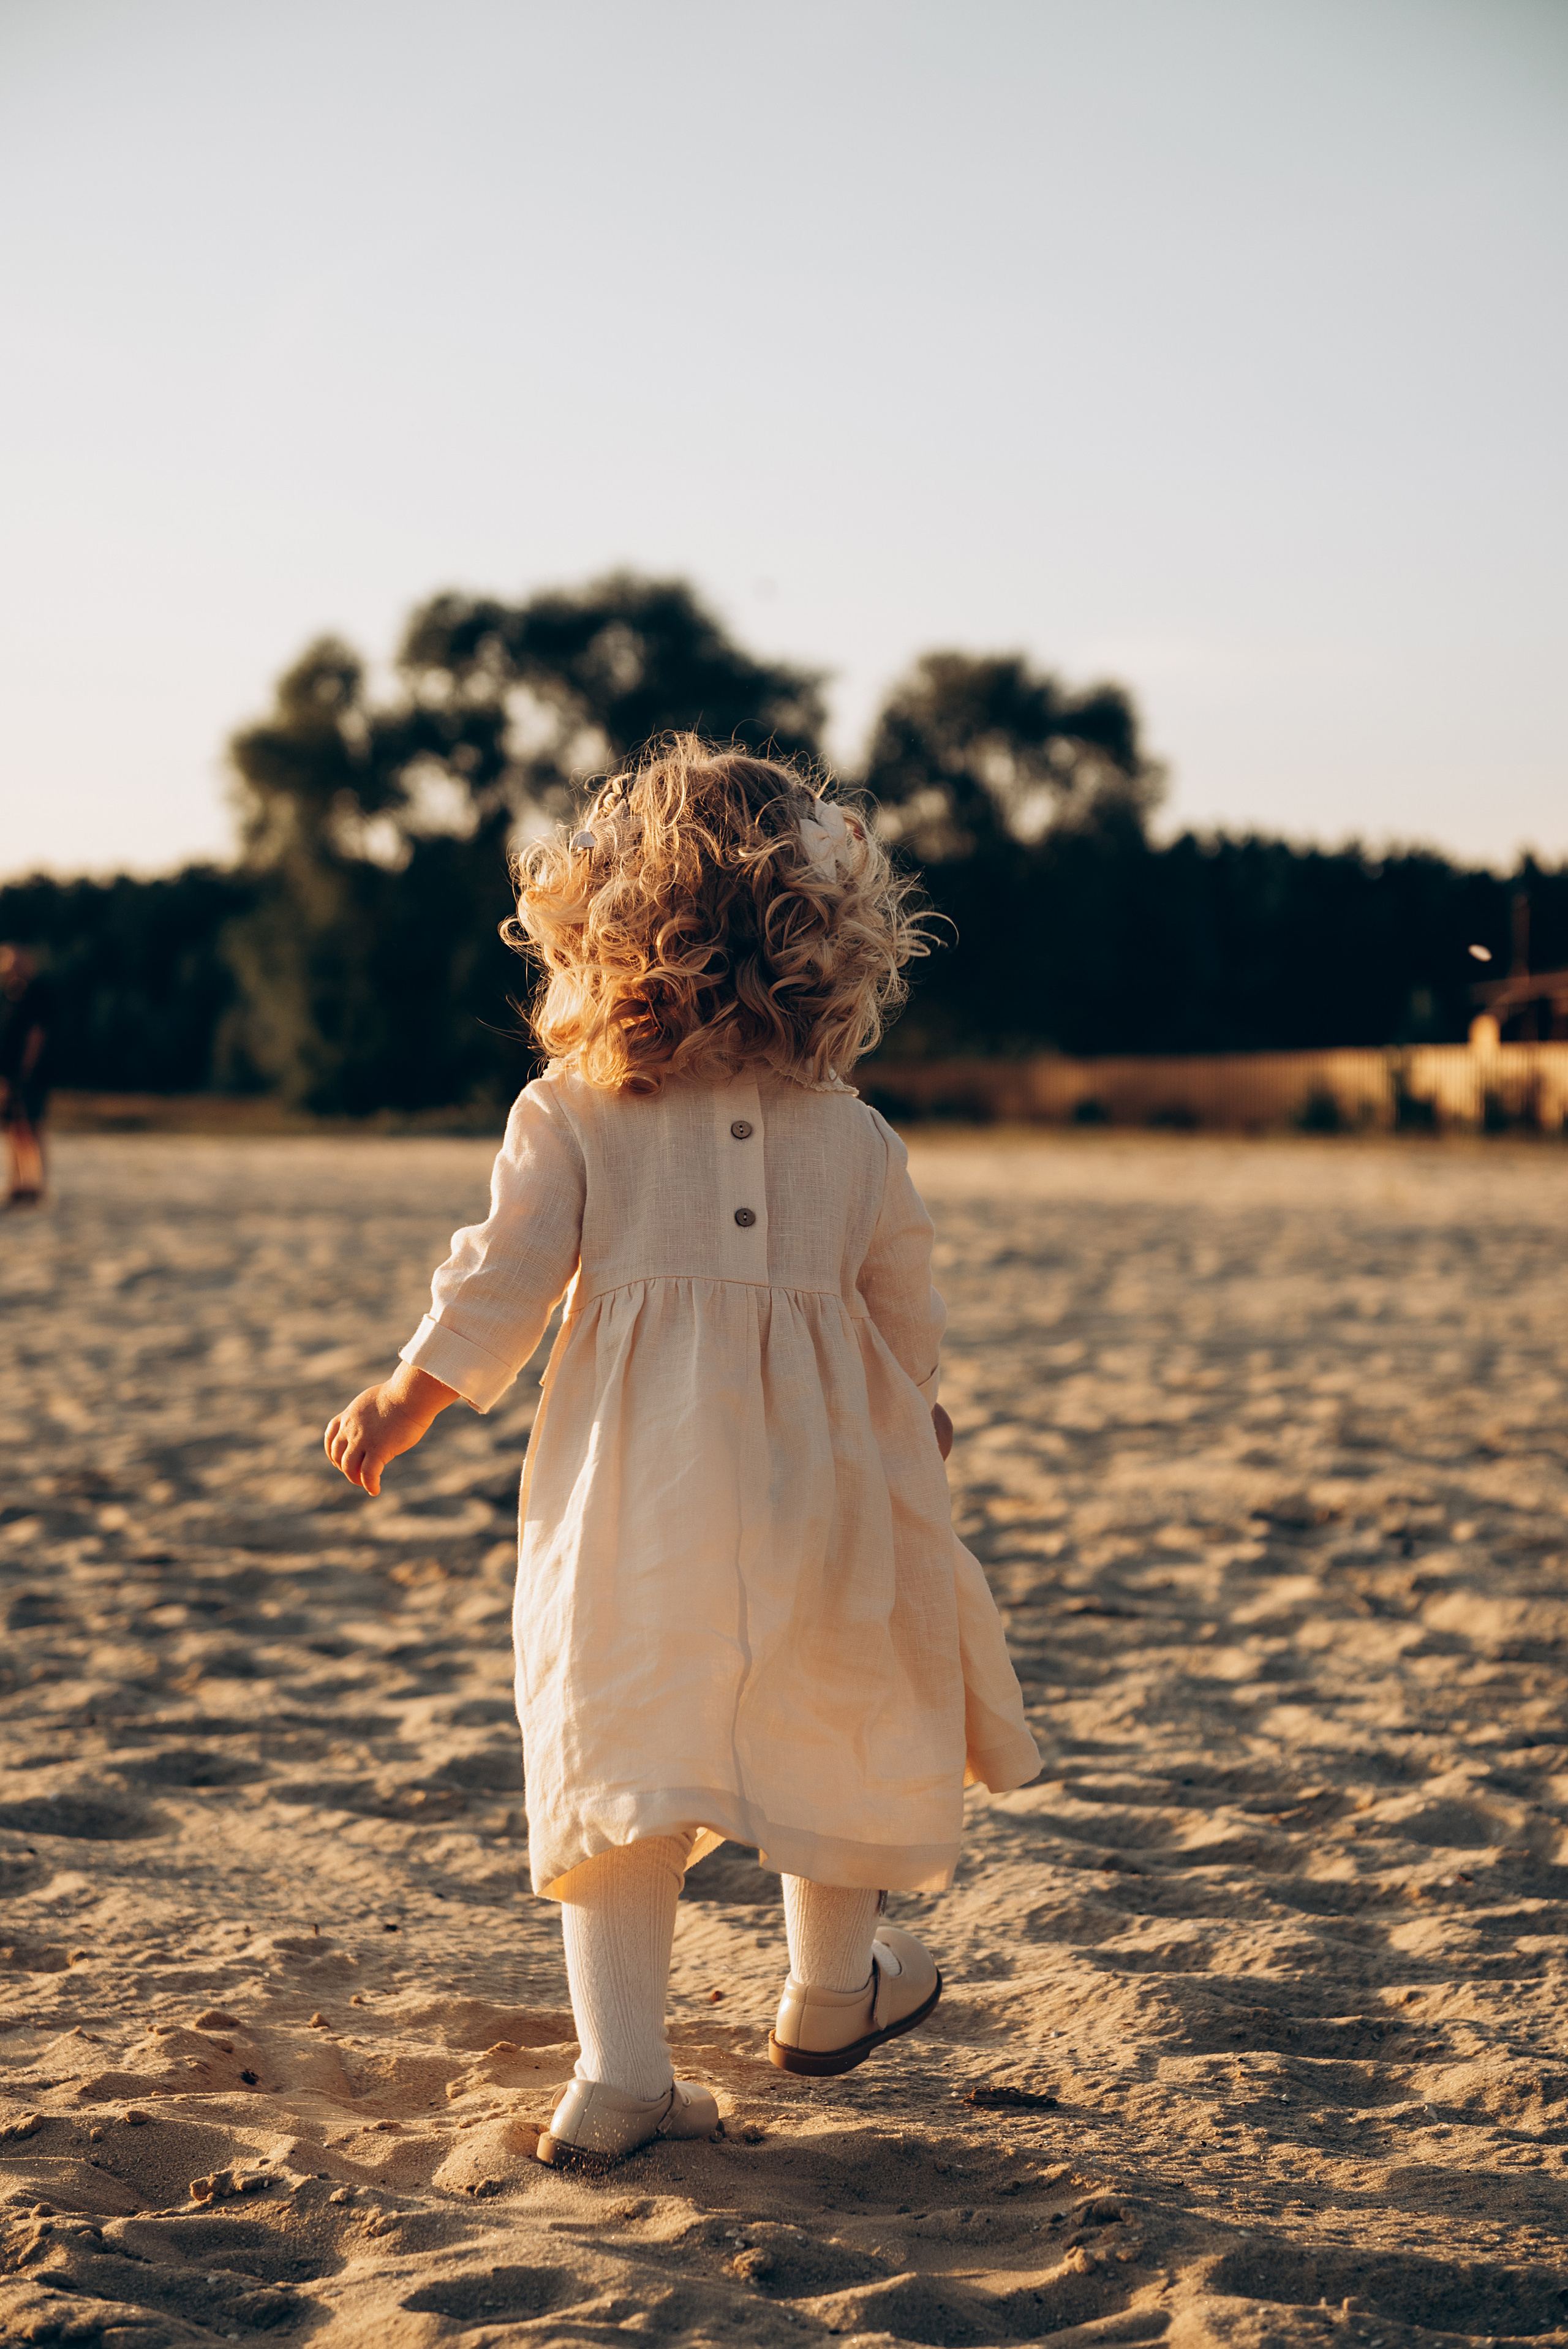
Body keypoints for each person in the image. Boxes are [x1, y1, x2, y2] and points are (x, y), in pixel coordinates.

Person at [324, 739, 1039, 2171]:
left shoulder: (574, 1113)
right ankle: (832, 1989)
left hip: (633, 1497)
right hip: (829, 1485)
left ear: (604, 926)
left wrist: (409, 1394)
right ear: (828, 945)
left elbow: (500, 1280)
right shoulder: (856, 1139)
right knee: (837, 1694)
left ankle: (620, 2072)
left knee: (622, 1741)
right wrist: (917, 1412)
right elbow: (905, 1309)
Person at [0, 944, 52, 1208]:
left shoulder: (35, 995)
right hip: (11, 1076)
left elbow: (36, 1036)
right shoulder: (13, 995)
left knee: (30, 1127)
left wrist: (25, 1073)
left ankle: (36, 1185)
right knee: (14, 1129)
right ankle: (19, 1184)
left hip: (27, 1076)